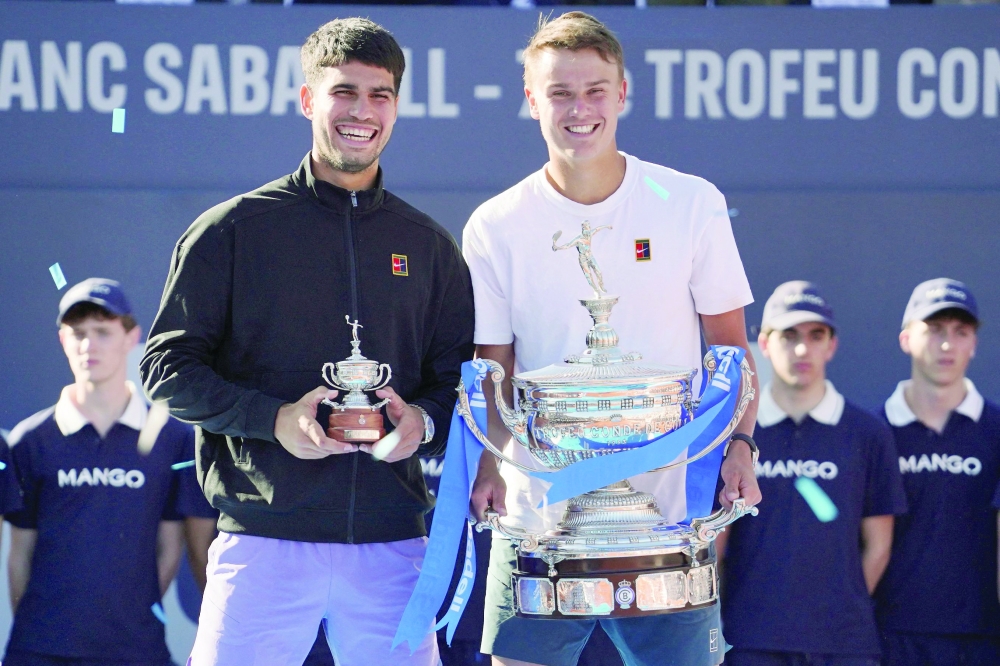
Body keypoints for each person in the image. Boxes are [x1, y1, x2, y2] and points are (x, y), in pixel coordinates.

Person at [139, 17, 474, 666]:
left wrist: (423, 424)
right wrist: (275, 420)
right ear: (306, 100)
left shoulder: (429, 246)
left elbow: (458, 375)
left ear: (398, 107)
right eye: (344, 92)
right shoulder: (232, 231)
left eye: (380, 95)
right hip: (263, 540)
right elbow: (166, 365)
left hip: (390, 545)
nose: (362, 112)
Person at [463, 12, 762, 666]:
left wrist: (739, 444)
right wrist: (494, 461)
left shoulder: (689, 202)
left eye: (595, 90)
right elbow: (495, 363)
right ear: (531, 98)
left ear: (623, 93)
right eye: (561, 92)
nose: (580, 109)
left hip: (667, 505)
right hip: (543, 505)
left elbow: (730, 349)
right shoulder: (495, 224)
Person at [3, 278, 216, 666]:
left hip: (136, 649)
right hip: (38, 649)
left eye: (103, 331)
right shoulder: (30, 440)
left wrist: (130, 615)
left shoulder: (171, 438)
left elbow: (171, 546)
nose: (89, 345)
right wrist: (42, 631)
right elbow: (19, 554)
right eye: (78, 333)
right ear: (62, 341)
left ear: (131, 337)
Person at [716, 281, 907, 666]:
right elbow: (717, 544)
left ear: (831, 345)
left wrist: (838, 608)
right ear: (764, 345)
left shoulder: (867, 432)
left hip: (845, 643)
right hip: (751, 638)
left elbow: (880, 545)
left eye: (815, 335)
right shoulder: (736, 438)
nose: (802, 349)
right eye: (789, 336)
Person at [875, 278, 1000, 665]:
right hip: (888, 636)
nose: (947, 345)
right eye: (933, 330)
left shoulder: (996, 430)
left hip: (981, 639)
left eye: (960, 331)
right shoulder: (873, 433)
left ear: (974, 343)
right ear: (906, 338)